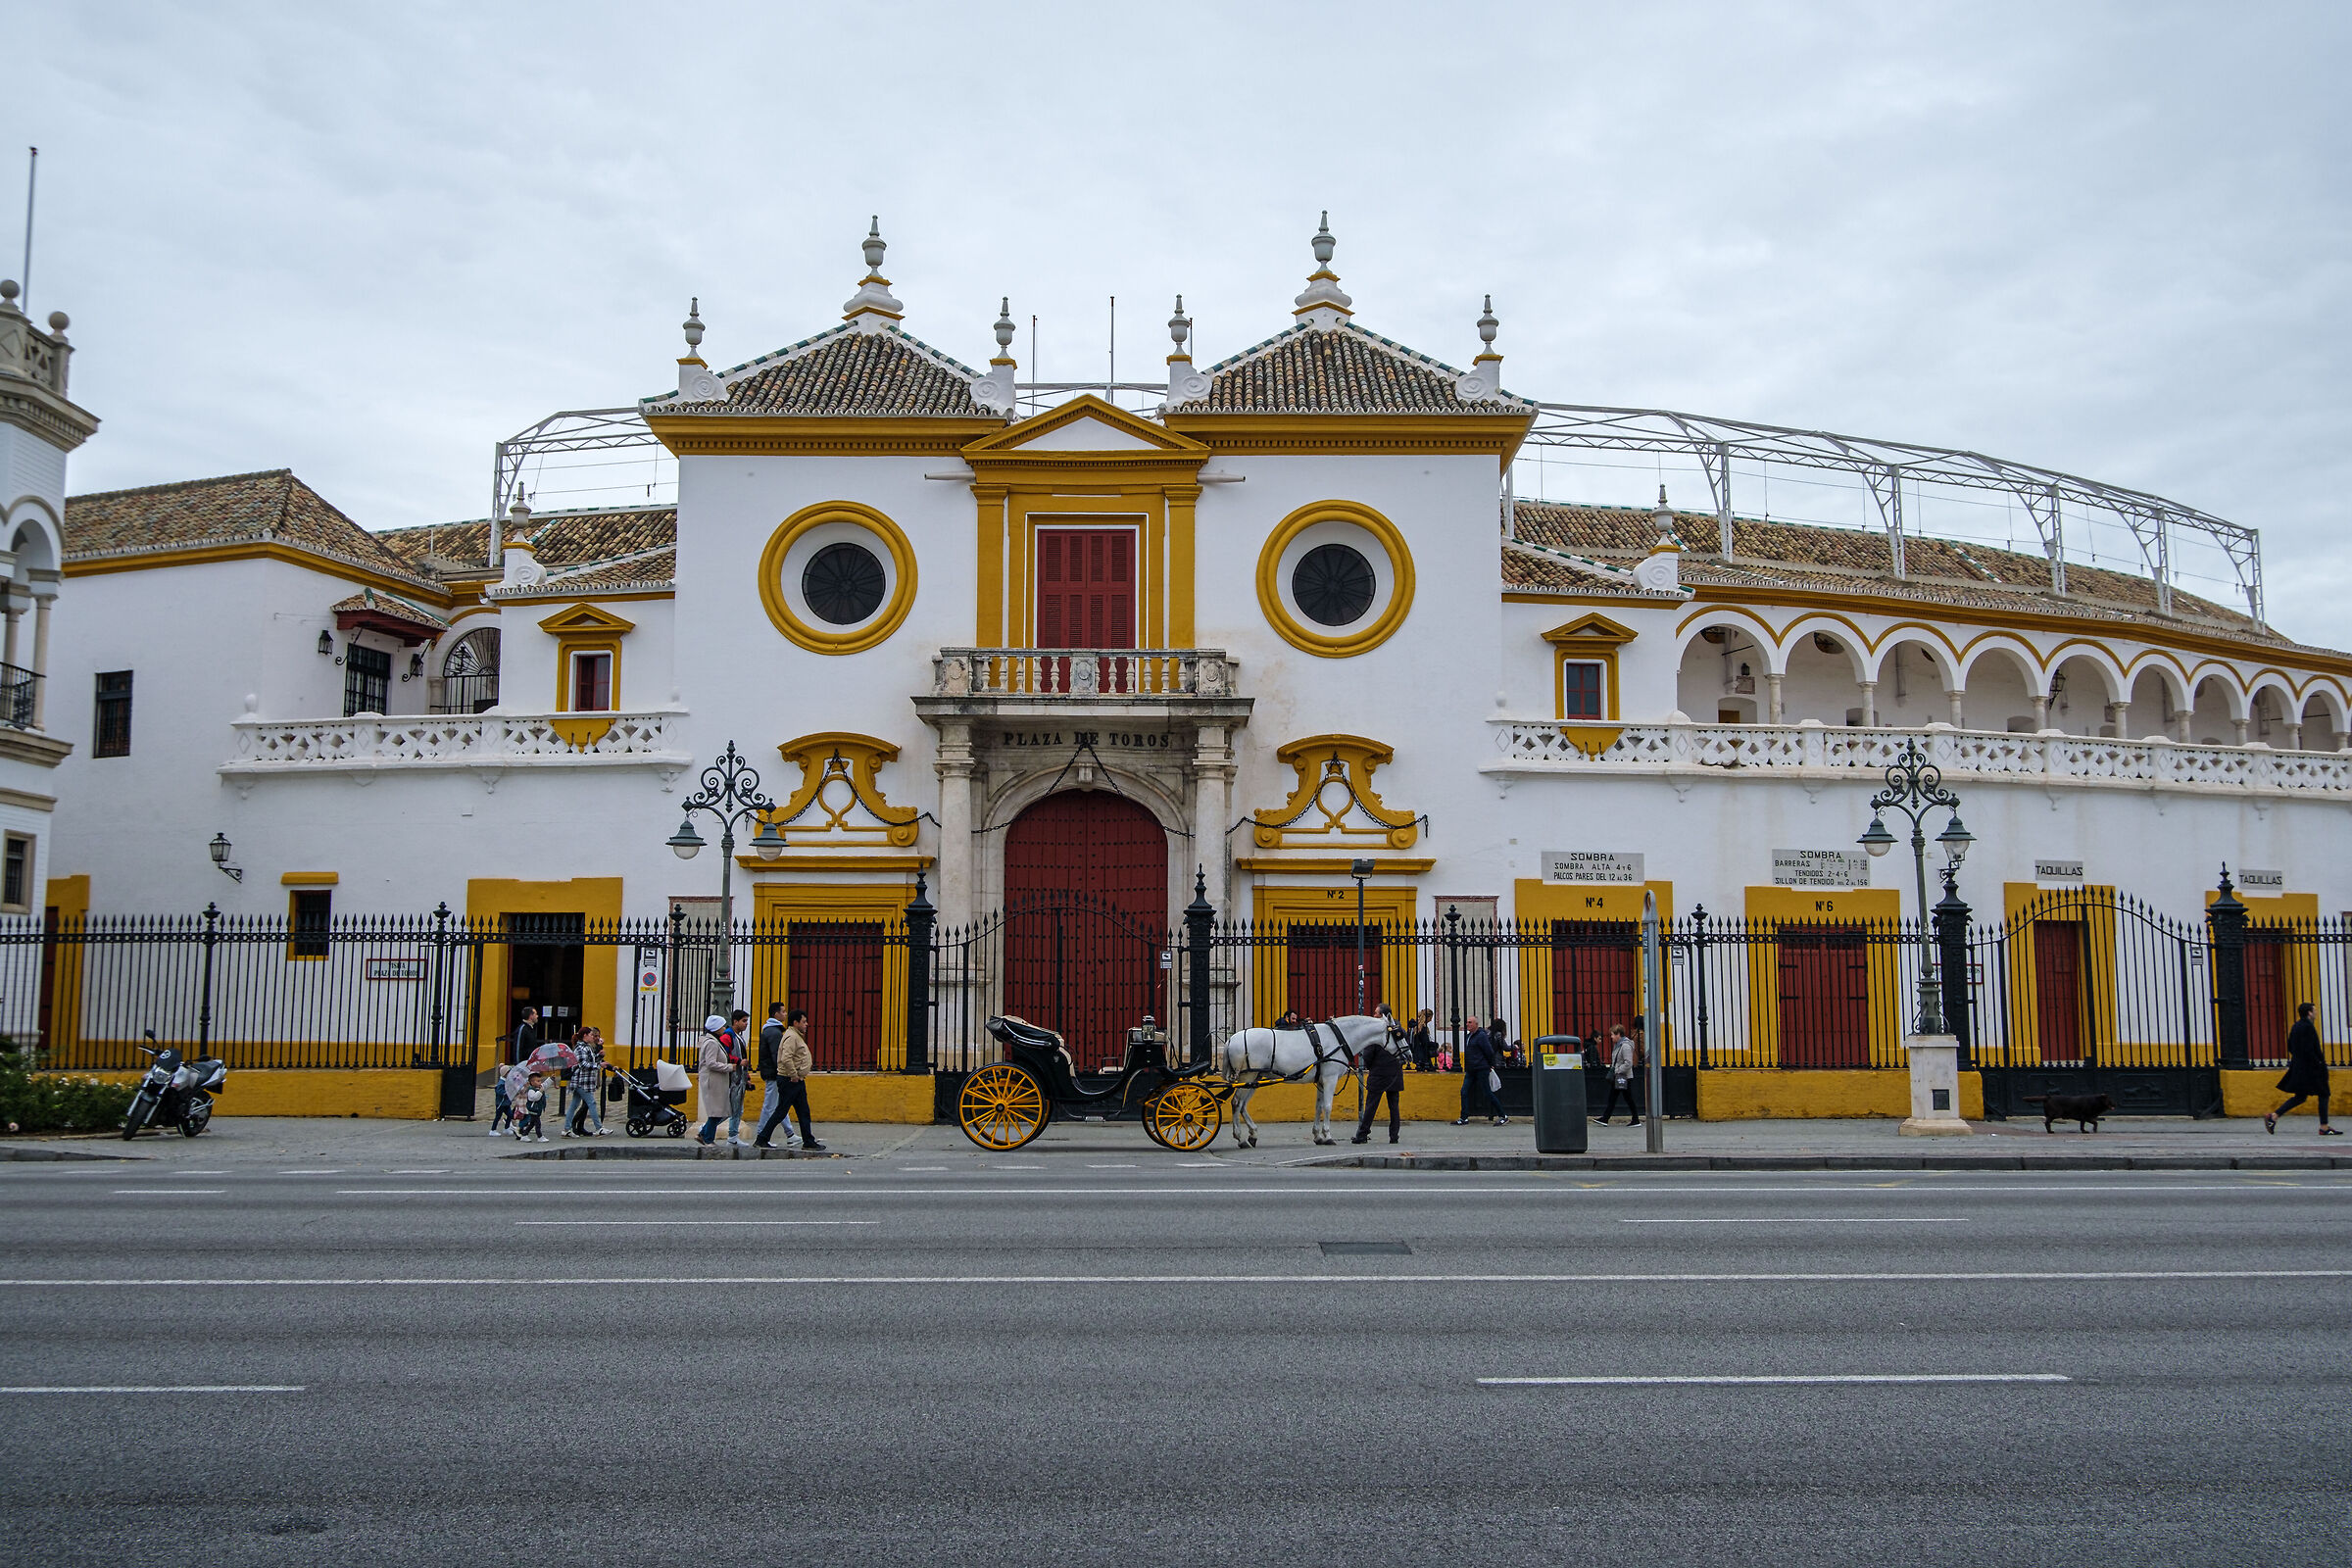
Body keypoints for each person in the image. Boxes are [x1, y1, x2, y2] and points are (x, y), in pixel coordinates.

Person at [756, 1007, 824, 1152]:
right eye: (804, 1022)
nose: (806, 1024)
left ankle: (808, 1140)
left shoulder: (795, 1035)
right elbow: (786, 1058)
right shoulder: (791, 1037)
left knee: (803, 1111)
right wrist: (793, 1074)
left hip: (796, 1080)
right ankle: (762, 1138)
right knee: (781, 1111)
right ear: (796, 1022)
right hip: (790, 1080)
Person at [2267, 1002, 2338, 1135]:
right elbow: (2309, 1049)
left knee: (2300, 1096)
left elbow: (2290, 1047)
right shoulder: (2308, 1027)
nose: (2316, 1013)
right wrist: (2318, 1063)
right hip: (2312, 1068)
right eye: (2314, 1011)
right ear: (2309, 1013)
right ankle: (2324, 1127)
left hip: (2300, 1067)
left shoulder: (2295, 1026)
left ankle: (2274, 1117)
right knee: (2324, 1094)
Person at [752, 1003, 803, 1151]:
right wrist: (784, 1072)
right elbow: (777, 1056)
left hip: (771, 1072)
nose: (786, 1014)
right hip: (774, 1074)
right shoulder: (774, 1033)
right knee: (770, 1105)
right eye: (783, 1012)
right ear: (776, 1014)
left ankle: (790, 1134)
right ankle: (761, 1134)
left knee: (780, 1105)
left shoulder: (770, 1031)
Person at [1349, 1013, 1405, 1144]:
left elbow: (1368, 1054)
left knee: (1371, 1106)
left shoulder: (1377, 1031)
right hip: (1395, 1073)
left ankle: (1363, 1133)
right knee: (1394, 1106)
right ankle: (1394, 1135)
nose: (1374, 1015)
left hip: (1378, 1073)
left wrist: (1370, 1067)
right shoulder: (1399, 1030)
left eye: (1376, 1013)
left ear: (1383, 1015)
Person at [694, 1015, 740, 1146]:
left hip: (717, 1082)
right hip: (712, 1082)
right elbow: (711, 1063)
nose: (725, 1028)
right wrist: (729, 1067)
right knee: (716, 1112)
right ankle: (708, 1139)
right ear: (717, 1028)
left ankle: (703, 1135)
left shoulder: (714, 1041)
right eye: (722, 1026)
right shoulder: (711, 1043)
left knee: (718, 1111)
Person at [564, 1029, 609, 1137]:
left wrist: (599, 1057)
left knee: (574, 1105)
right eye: (591, 1035)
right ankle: (599, 1128)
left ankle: (566, 1129)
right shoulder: (580, 1048)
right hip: (581, 1081)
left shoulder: (586, 1047)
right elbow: (583, 1065)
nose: (592, 1037)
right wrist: (599, 1066)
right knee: (591, 1103)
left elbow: (590, 1061)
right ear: (585, 1035)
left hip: (585, 1081)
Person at [1599, 1024, 1642, 1126]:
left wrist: (1617, 1070)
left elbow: (1628, 1063)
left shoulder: (1625, 1046)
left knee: (1625, 1098)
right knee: (1615, 1098)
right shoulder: (1619, 1045)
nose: (1611, 1037)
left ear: (1618, 1034)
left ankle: (1635, 1119)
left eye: (1613, 1034)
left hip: (1624, 1077)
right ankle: (1605, 1118)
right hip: (1620, 1076)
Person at [725, 1008, 753, 1147]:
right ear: (735, 1021)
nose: (746, 1024)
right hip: (733, 1078)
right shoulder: (728, 1036)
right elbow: (724, 1055)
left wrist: (746, 1076)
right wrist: (737, 1062)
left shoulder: (738, 1037)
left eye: (746, 1021)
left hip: (739, 1077)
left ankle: (733, 1136)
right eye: (743, 1021)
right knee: (732, 1109)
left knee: (737, 1109)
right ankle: (706, 1130)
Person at [514, 1074, 548, 1141]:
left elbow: (545, 1085)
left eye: (540, 1081)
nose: (540, 1082)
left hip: (536, 1109)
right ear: (532, 1082)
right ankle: (540, 1136)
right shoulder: (531, 1090)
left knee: (531, 1124)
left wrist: (551, 1079)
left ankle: (524, 1135)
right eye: (538, 1081)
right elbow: (534, 1098)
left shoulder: (537, 1088)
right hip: (533, 1109)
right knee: (537, 1124)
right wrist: (540, 1091)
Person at [1407, 1008, 1436, 1072]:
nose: (1431, 1020)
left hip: (1416, 1053)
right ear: (1428, 1017)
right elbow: (1424, 1042)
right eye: (1431, 1018)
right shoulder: (1422, 1027)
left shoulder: (1414, 1026)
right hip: (1423, 1055)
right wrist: (1434, 1044)